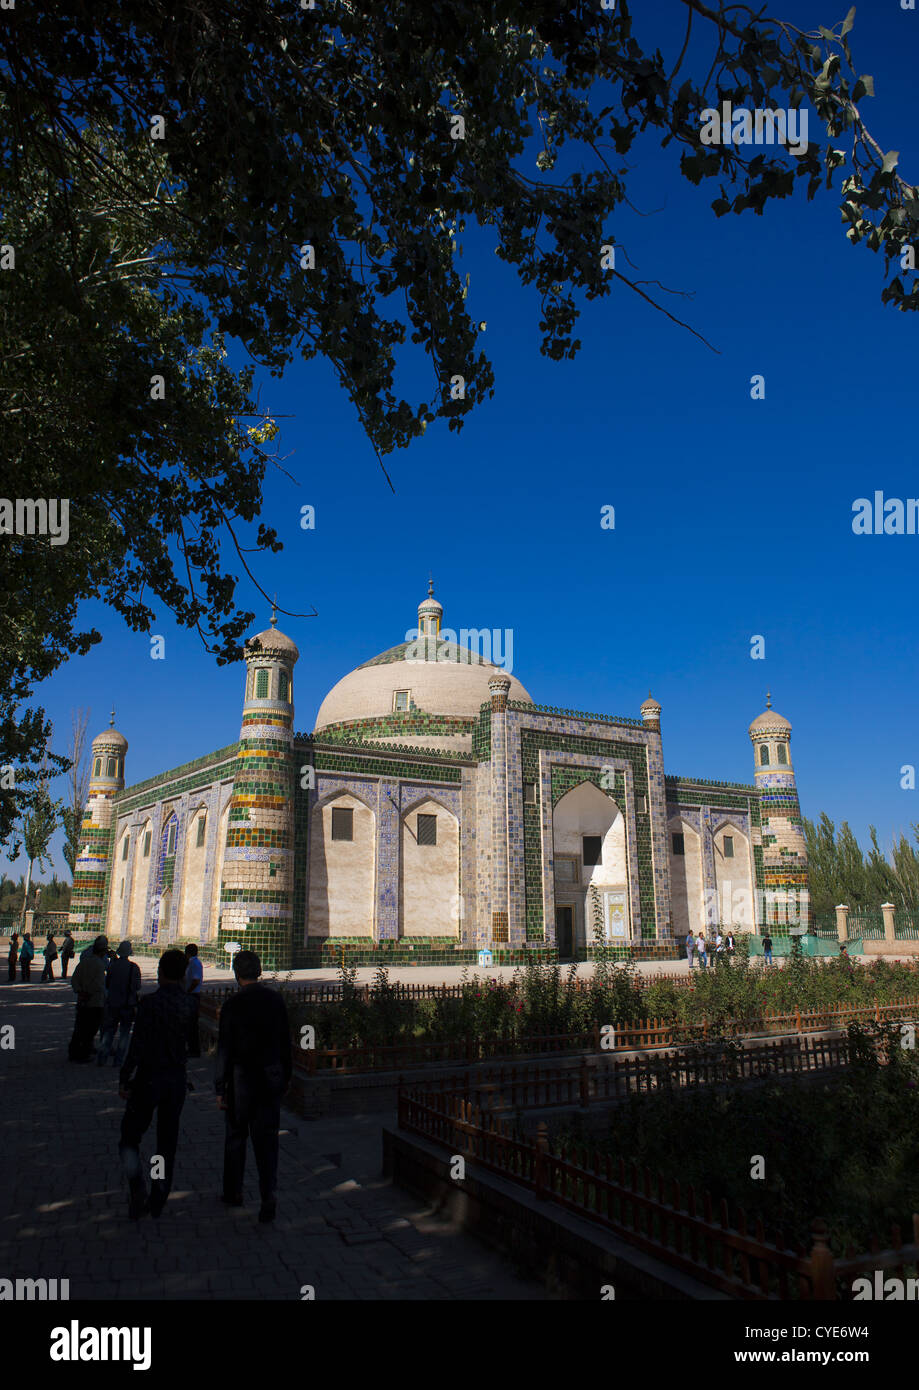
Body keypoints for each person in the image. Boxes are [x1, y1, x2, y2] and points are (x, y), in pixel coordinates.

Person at [118, 948, 196, 1219]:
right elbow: (193, 1046)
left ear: (161, 972)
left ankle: (137, 1184)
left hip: (149, 1078)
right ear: (183, 973)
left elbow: (137, 1045)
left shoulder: (149, 1004)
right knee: (166, 1142)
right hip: (175, 1081)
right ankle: (159, 1193)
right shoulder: (189, 1004)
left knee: (129, 1139)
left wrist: (124, 1077)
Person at [216, 950, 292, 1223]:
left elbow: (224, 1049)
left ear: (237, 974)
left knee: (236, 1138)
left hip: (240, 1082)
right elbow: (286, 1042)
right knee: (267, 1141)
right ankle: (268, 1194)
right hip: (269, 1080)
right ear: (259, 971)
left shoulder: (233, 1005)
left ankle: (233, 1191)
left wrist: (219, 1087)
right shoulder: (275, 1000)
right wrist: (286, 1077)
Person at [97, 942, 141, 1067]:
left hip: (112, 1003)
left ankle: (102, 1058)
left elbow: (107, 984)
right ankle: (118, 1061)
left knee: (109, 1031)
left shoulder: (112, 966)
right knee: (124, 1034)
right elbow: (137, 986)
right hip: (127, 1004)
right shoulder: (134, 967)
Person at [68, 935, 109, 1061]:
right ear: (102, 952)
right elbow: (99, 984)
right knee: (90, 1030)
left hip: (82, 1000)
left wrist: (80, 992)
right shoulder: (100, 965)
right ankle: (83, 1054)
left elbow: (74, 979)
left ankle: (73, 1052)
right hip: (95, 1002)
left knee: (79, 1027)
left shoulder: (84, 962)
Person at [184, 943, 204, 1059]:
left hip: (192, 996)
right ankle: (191, 1048)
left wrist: (187, 991)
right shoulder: (192, 963)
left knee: (192, 1024)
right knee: (189, 1024)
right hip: (191, 995)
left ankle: (194, 1049)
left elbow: (196, 980)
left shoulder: (195, 963)